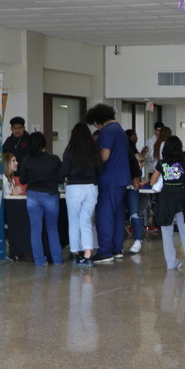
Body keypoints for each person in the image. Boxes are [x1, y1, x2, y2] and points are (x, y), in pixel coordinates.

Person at [86, 103, 131, 263]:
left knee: (104, 216)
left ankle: (105, 251)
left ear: (98, 121)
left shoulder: (107, 131)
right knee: (117, 216)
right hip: (121, 180)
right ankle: (117, 248)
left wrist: (89, 156)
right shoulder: (120, 130)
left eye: (95, 124)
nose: (95, 127)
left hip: (108, 180)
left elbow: (104, 156)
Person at [150, 135, 185, 270]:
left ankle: (171, 262)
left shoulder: (161, 164)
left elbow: (152, 181)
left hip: (165, 200)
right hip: (180, 200)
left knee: (166, 232)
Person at [19, 132, 64, 267]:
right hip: (50, 195)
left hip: (33, 196)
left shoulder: (27, 160)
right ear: (44, 143)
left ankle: (39, 261)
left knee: (35, 229)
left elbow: (23, 180)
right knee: (52, 228)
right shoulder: (54, 159)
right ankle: (57, 259)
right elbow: (60, 179)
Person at [62, 122, 101, 267]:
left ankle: (75, 254)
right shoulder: (94, 150)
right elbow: (100, 170)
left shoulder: (70, 150)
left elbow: (64, 171)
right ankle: (88, 255)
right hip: (91, 188)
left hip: (74, 188)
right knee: (86, 222)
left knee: (74, 222)